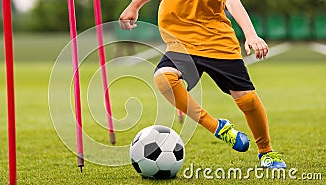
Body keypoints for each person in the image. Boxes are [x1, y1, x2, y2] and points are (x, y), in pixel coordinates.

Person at [119, 0, 286, 168]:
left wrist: (251, 35)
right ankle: (217, 127)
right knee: (164, 78)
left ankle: (266, 151)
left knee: (247, 99)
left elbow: (233, 2)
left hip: (217, 42)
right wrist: (134, 6)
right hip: (181, 42)